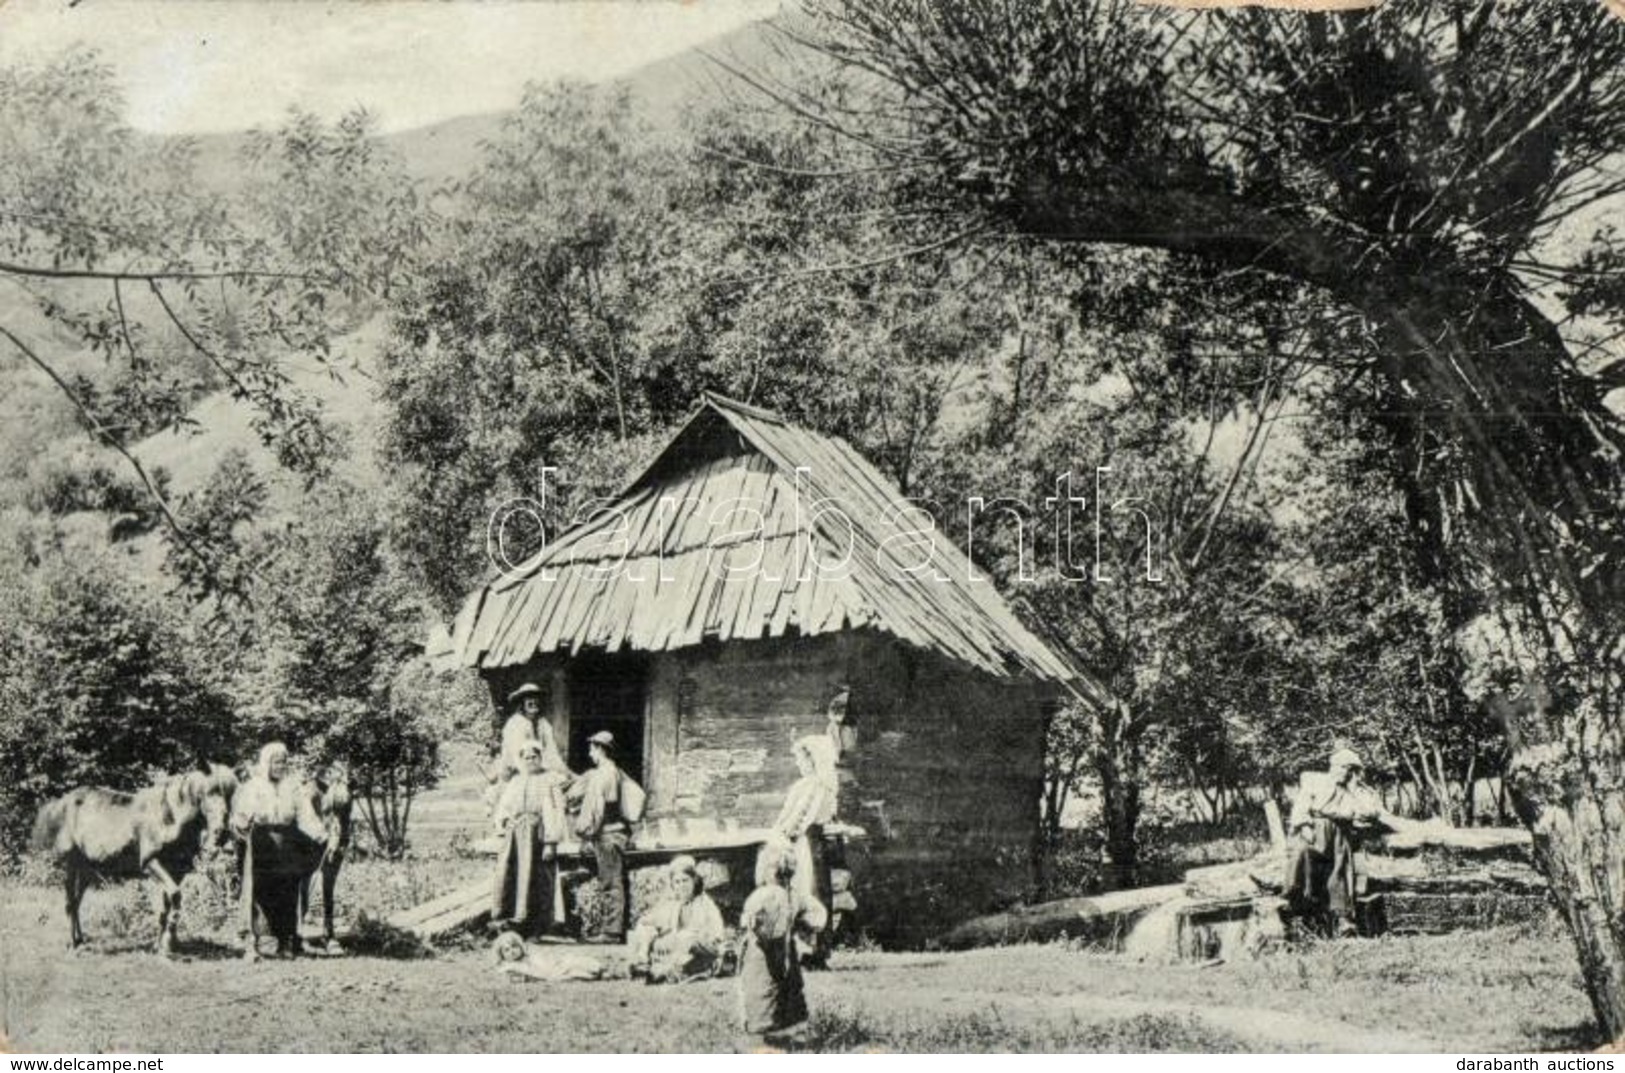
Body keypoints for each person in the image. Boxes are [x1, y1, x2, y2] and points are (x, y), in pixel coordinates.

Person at [232, 742, 329, 959]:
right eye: (276, 762)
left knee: (287, 890)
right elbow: (242, 812)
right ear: (266, 763)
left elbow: (305, 814)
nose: (281, 766)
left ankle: (286, 942)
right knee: (260, 890)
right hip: (261, 841)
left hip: (287, 840)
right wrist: (242, 822)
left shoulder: (292, 786)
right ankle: (258, 942)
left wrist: (320, 834)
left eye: (284, 762)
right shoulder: (254, 786)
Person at [1283, 747, 1387, 937]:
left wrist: (1356, 787)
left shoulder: (1353, 791)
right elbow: (1301, 806)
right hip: (1316, 827)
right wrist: (1306, 827)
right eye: (1343, 768)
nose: (1345, 773)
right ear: (1334, 767)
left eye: (1350, 770)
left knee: (1339, 870)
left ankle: (1343, 920)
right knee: (1303, 858)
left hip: (1340, 832)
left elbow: (1370, 812)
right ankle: (1297, 903)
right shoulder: (1316, 782)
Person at [738, 838, 827, 1048]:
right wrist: (755, 922)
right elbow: (752, 915)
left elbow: (815, 912)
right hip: (761, 952)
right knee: (761, 988)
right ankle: (762, 1032)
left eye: (782, 866)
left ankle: (791, 1028)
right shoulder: (763, 895)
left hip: (786, 950)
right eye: (771, 866)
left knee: (790, 986)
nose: (777, 872)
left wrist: (806, 922)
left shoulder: (794, 895)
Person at [491, 740, 570, 937]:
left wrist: (550, 842)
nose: (530, 761)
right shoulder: (516, 781)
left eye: (534, 756)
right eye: (526, 757)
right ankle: (514, 923)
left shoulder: (549, 780)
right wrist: (504, 821)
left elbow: (554, 811)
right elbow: (504, 806)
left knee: (537, 879)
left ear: (540, 758)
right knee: (512, 875)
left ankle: (537, 927)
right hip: (516, 836)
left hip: (538, 836)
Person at [567, 730, 640, 943]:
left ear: (600, 749)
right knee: (616, 881)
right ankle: (617, 929)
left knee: (611, 883)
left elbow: (597, 809)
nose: (590, 754)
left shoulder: (602, 775)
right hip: (617, 832)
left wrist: (587, 831)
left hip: (607, 834)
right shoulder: (615, 771)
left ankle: (611, 933)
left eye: (592, 749)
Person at [773, 734, 839, 966]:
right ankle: (798, 948)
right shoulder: (804, 784)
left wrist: (783, 835)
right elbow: (787, 815)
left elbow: (802, 818)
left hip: (808, 844)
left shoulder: (817, 785)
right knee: (798, 890)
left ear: (813, 760)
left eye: (802, 759)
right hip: (799, 842)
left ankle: (815, 950)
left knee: (811, 890)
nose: (799, 763)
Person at [628, 855, 727, 983]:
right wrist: (648, 926)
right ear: (673, 885)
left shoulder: (704, 903)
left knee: (685, 938)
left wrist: (680, 939)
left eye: (685, 881)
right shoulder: (674, 903)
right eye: (677, 882)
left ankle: (666, 971)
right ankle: (643, 963)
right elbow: (654, 919)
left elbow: (711, 935)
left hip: (703, 948)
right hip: (680, 945)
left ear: (694, 881)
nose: (682, 886)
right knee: (645, 929)